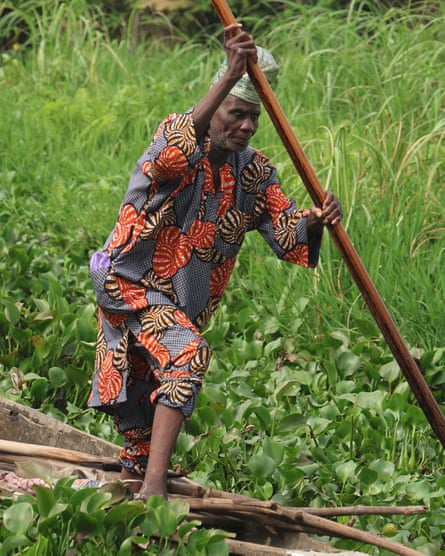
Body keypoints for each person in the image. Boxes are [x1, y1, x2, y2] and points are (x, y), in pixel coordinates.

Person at [88, 24, 343, 500]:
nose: (245, 126)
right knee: (188, 355)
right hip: (130, 281)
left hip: (180, 302)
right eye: (237, 114)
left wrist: (316, 220)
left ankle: (135, 489)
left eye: (253, 118)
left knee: (143, 414)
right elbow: (166, 160)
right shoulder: (181, 136)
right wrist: (229, 73)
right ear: (219, 103)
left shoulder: (255, 172)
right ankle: (155, 492)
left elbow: (288, 240)